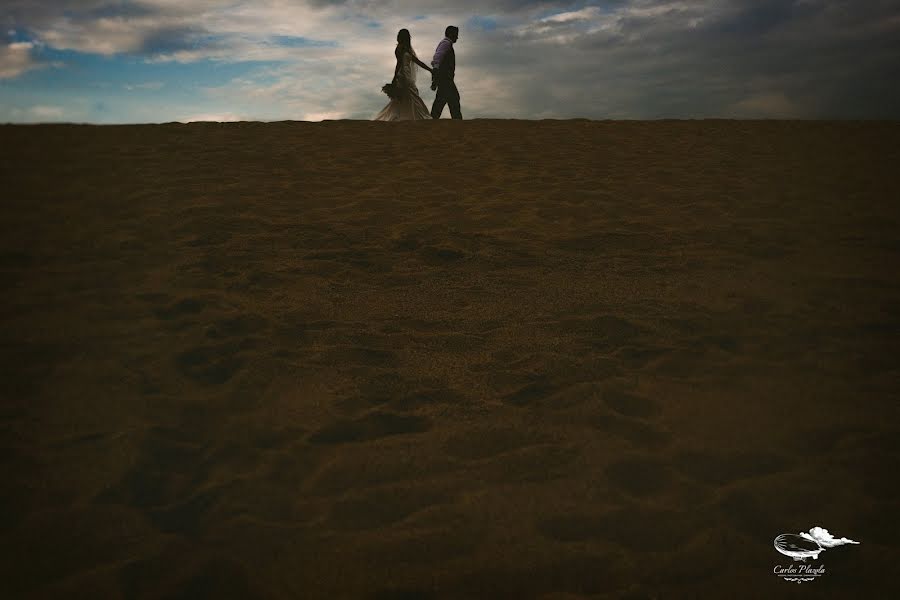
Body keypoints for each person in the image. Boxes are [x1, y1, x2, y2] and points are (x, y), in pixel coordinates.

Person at [374, 29, 433, 121]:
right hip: (403, 75)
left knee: (405, 96)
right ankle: (418, 116)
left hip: (407, 73)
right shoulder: (400, 48)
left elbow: (417, 62)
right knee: (411, 94)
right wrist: (395, 77)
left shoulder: (407, 49)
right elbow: (398, 64)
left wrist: (430, 70)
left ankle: (407, 115)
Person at [430, 25, 461, 119]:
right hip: (445, 78)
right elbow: (437, 57)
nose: (457, 37)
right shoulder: (446, 44)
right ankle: (457, 121)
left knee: (444, 100)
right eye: (456, 34)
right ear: (451, 34)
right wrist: (435, 71)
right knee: (452, 99)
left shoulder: (446, 44)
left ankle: (432, 120)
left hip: (444, 78)